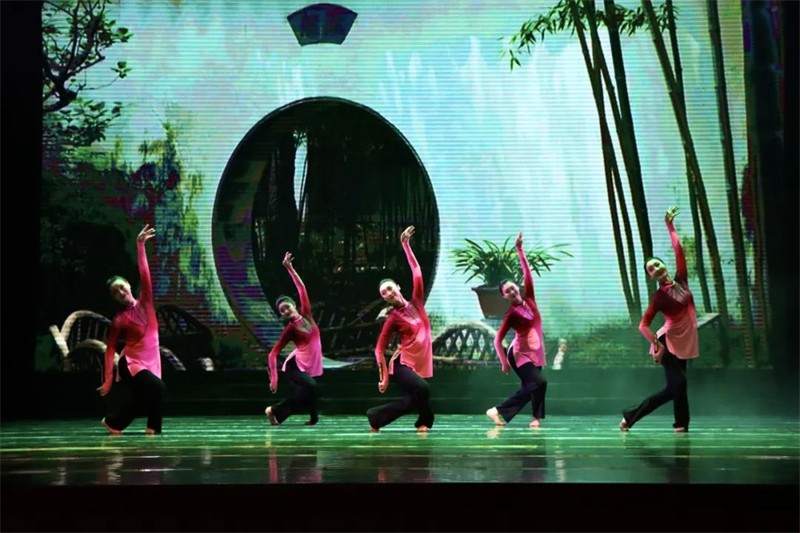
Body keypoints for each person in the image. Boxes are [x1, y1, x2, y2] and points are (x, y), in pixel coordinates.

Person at [620, 206, 698, 433]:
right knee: (678, 384)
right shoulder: (659, 297)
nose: (655, 268)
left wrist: (669, 225)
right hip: (668, 343)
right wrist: (657, 345)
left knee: (677, 388)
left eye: (657, 264)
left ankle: (681, 425)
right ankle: (631, 416)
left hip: (684, 342)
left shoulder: (681, 281)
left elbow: (679, 251)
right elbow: (643, 325)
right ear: (651, 277)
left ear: (664, 265)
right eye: (651, 269)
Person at [98, 224, 166, 435]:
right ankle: (153, 428)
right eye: (115, 292)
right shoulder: (120, 319)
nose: (120, 292)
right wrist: (108, 379)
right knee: (158, 388)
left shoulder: (146, 302)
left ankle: (115, 423)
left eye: (121, 287)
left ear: (128, 284)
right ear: (114, 298)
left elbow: (145, 275)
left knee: (148, 396)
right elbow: (110, 349)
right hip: (131, 363)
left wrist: (140, 245)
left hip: (151, 360)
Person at [367, 225, 434, 433]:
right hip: (401, 364)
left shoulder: (417, 303)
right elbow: (379, 349)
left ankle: (376, 417)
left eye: (389, 288)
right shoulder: (393, 318)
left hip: (419, 362)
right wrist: (384, 376)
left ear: (398, 288)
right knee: (423, 388)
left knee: (412, 400)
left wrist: (405, 245)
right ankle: (424, 421)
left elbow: (417, 272)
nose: (388, 293)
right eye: (383, 293)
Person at [485, 232, 548, 429]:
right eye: (507, 292)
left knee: (533, 386)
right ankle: (497, 410)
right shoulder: (511, 314)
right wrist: (504, 362)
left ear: (517, 288)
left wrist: (520, 250)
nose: (512, 292)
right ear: (505, 297)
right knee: (539, 383)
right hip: (519, 354)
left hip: (536, 351)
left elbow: (527, 273)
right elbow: (497, 340)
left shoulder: (530, 299)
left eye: (512, 288)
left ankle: (535, 419)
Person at [265, 252, 323, 426]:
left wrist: (290, 268)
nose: (285, 311)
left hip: (307, 363)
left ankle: (308, 418)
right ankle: (274, 410)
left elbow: (302, 288)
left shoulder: (307, 315)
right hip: (294, 366)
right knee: (311, 387)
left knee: (305, 394)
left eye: (287, 307)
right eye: (282, 311)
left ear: (294, 305)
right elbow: (273, 353)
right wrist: (274, 377)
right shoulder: (290, 329)